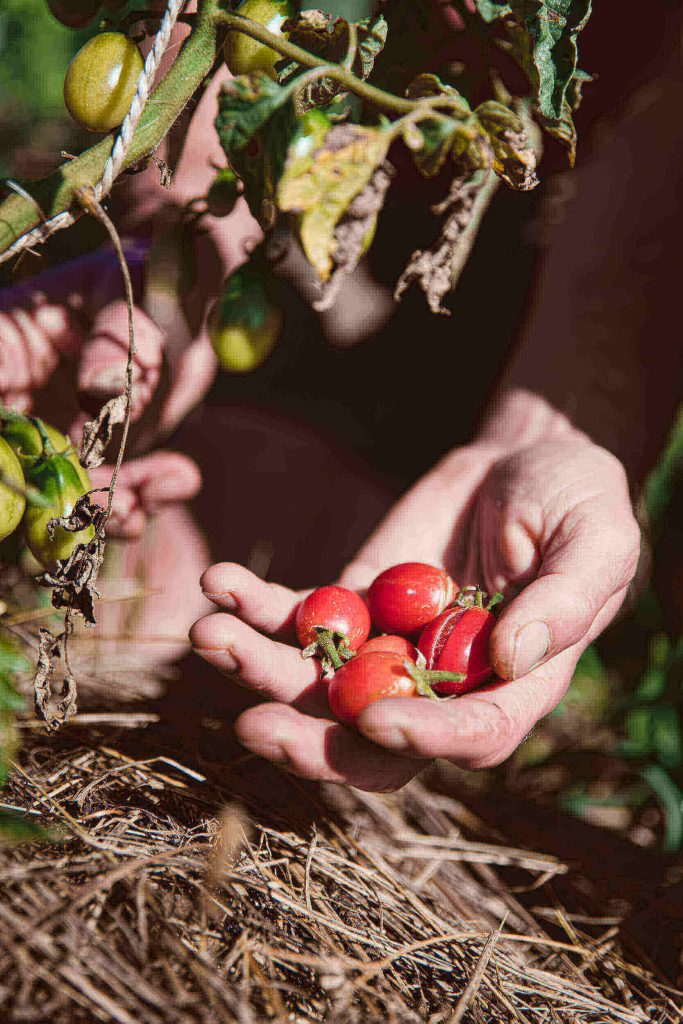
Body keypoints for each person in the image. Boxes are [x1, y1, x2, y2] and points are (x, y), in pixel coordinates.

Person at [2, 7, 680, 792]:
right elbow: (217, 24)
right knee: (145, 613)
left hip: (577, 171)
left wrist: (554, 418)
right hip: (343, 142)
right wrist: (176, 259)